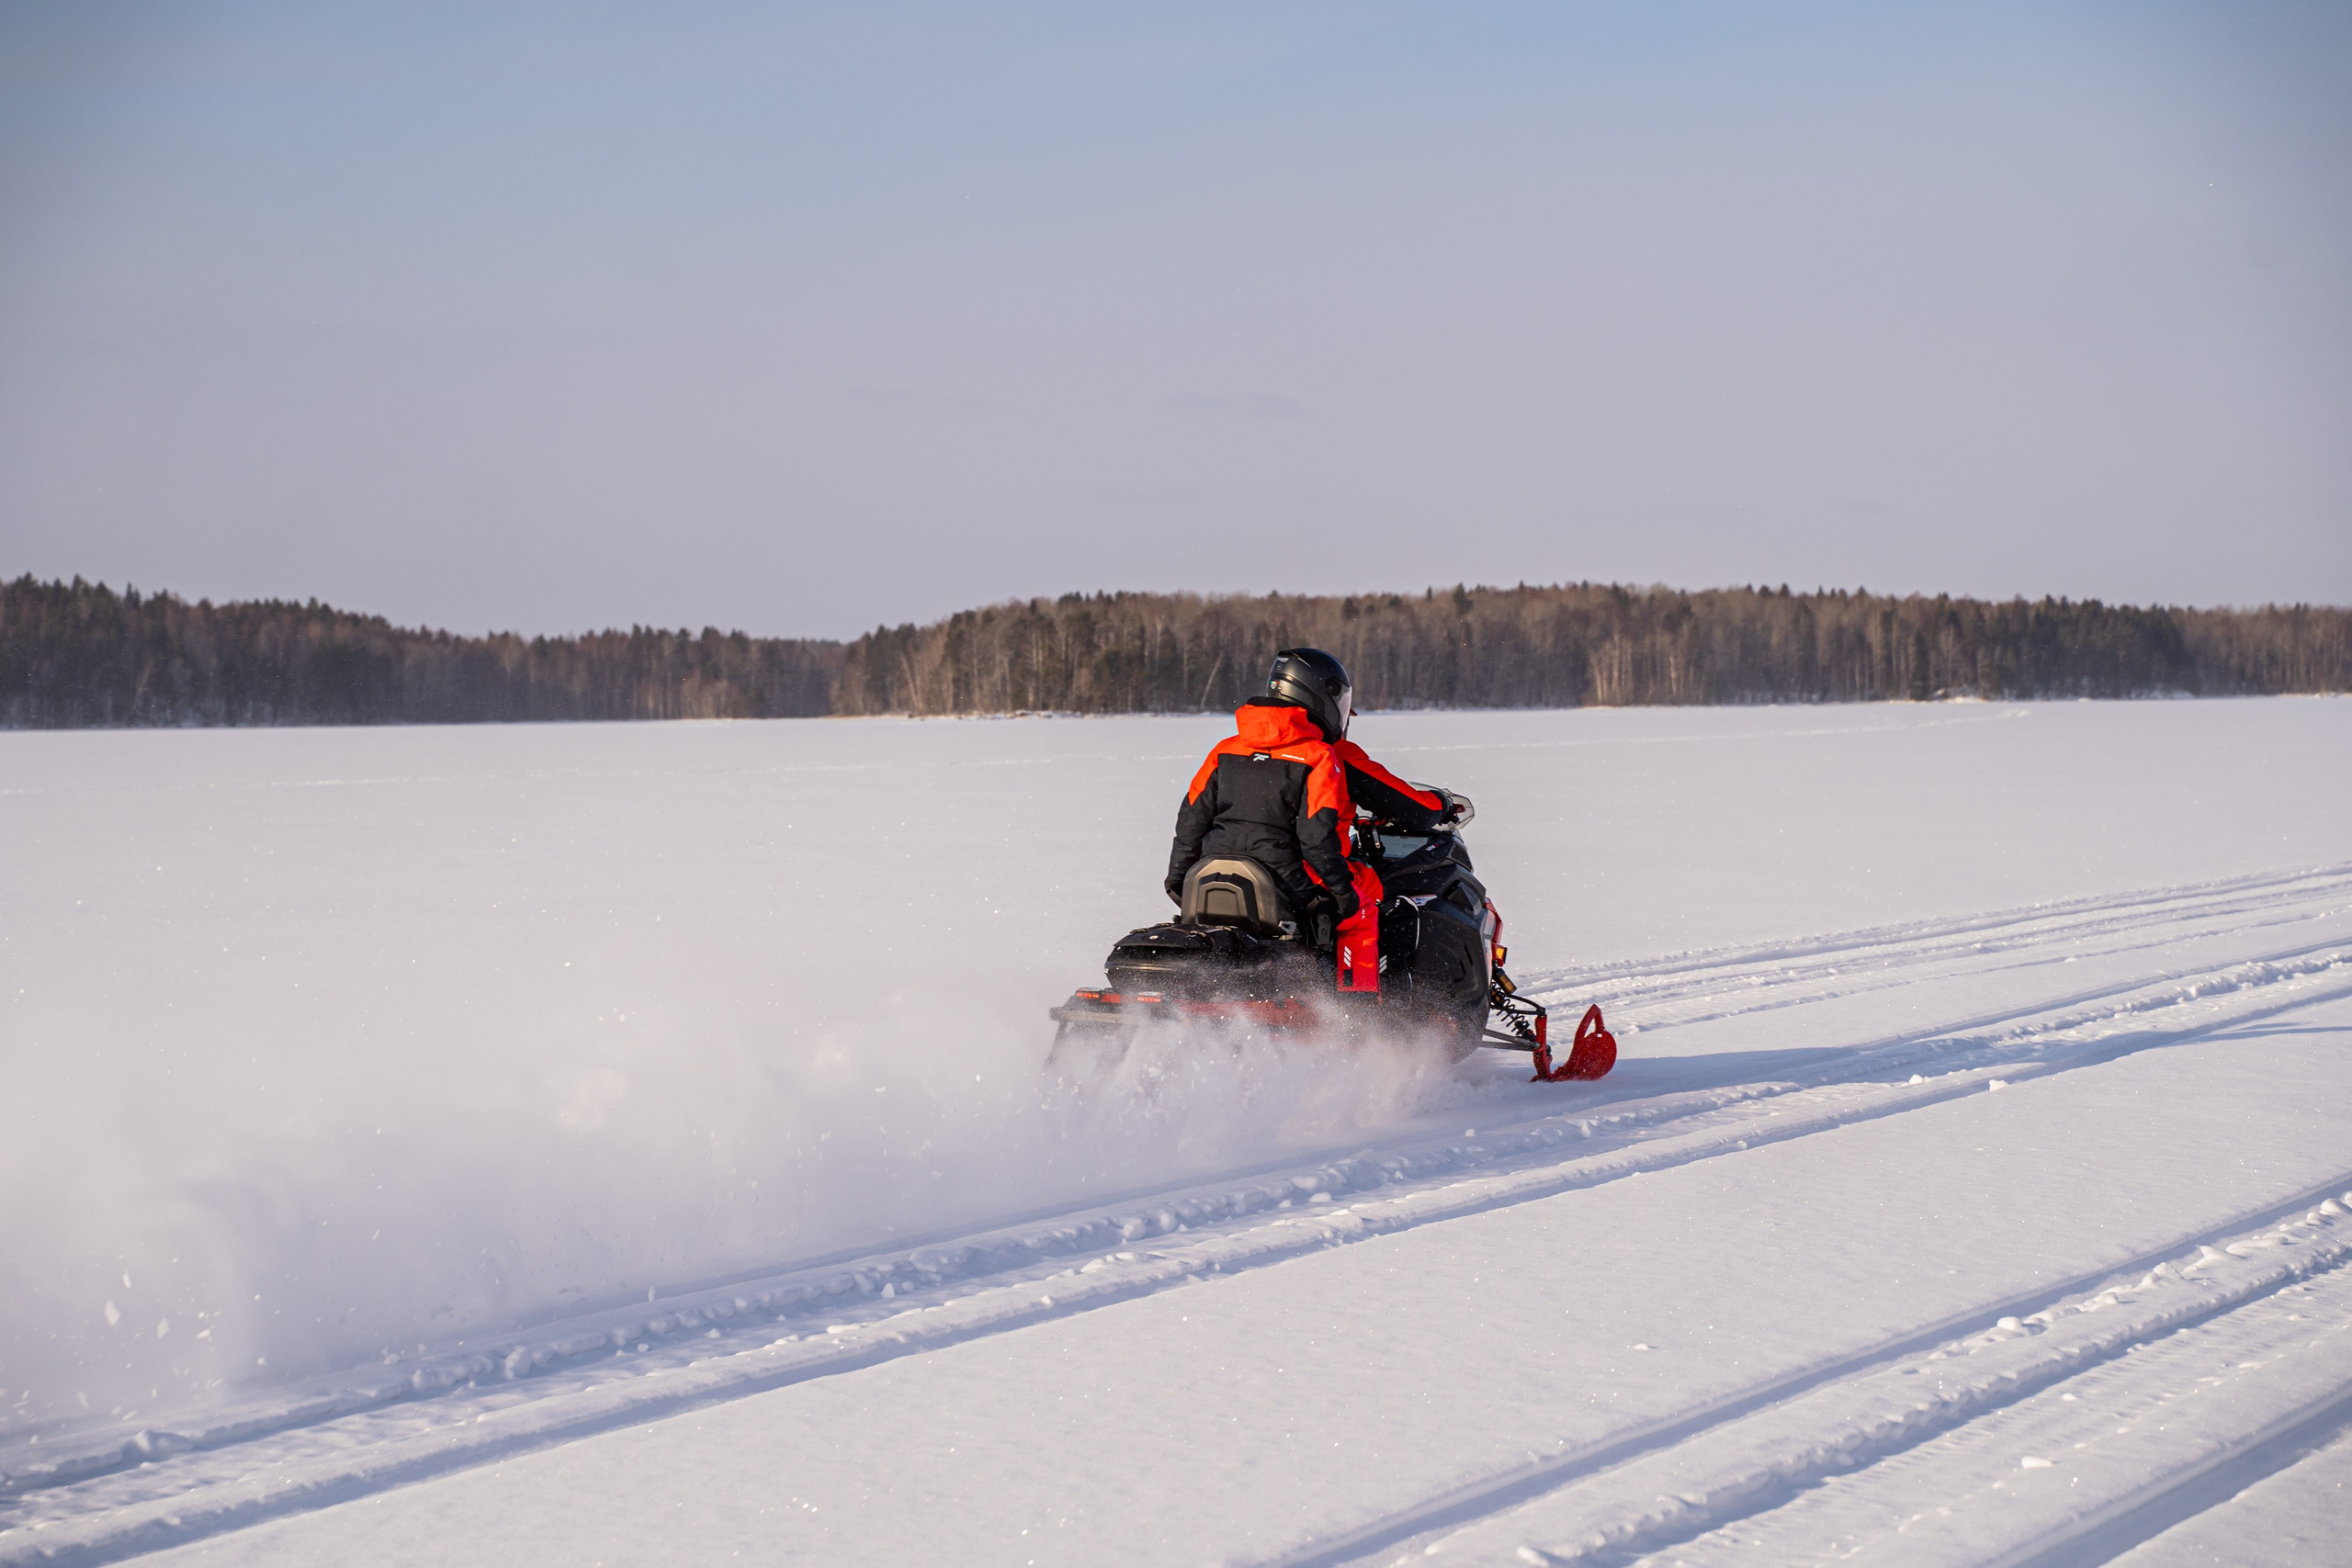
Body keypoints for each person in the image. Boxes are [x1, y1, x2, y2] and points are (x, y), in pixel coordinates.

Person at [1164, 648, 1464, 992]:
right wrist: (1342, 892)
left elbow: (1190, 822)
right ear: (1324, 696)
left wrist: (1178, 878)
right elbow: (1318, 836)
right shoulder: (1324, 755)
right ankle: (1359, 1010)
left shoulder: (1225, 749)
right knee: (1363, 908)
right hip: (1293, 876)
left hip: (1215, 872)